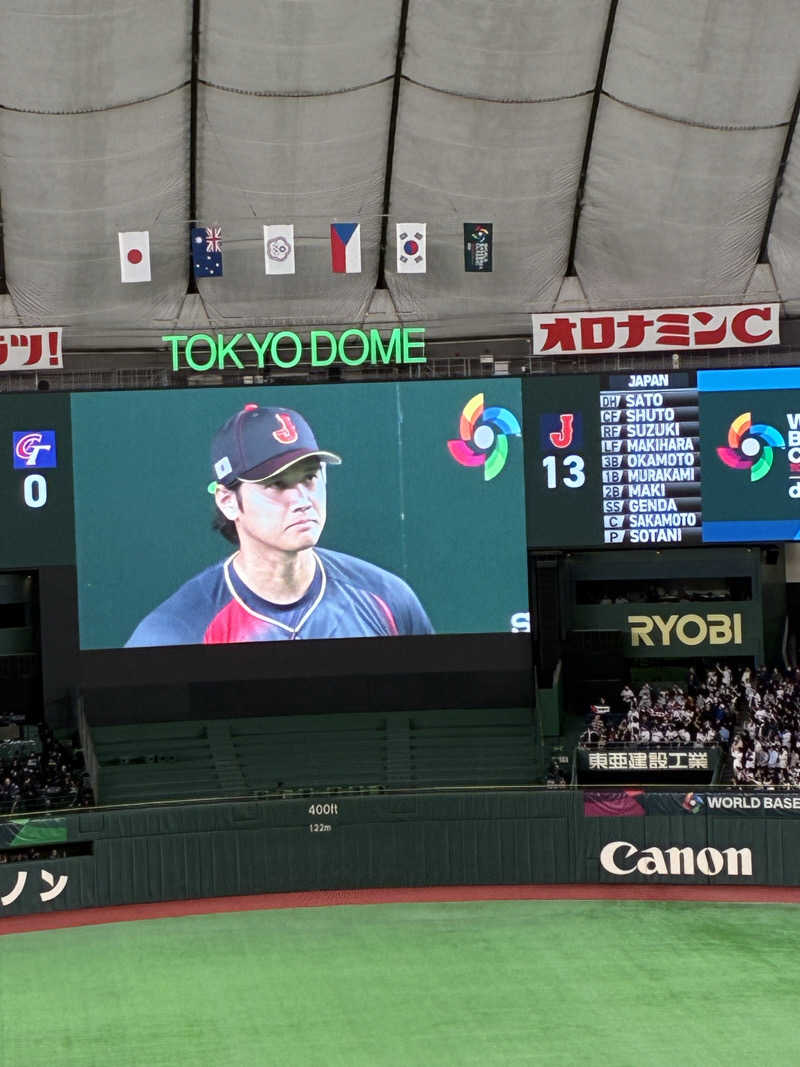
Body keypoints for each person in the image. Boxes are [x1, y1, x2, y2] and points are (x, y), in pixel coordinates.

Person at [126, 403, 434, 646]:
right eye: (276, 484)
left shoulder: (388, 599)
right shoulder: (177, 632)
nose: (301, 499)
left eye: (310, 477)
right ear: (227, 501)